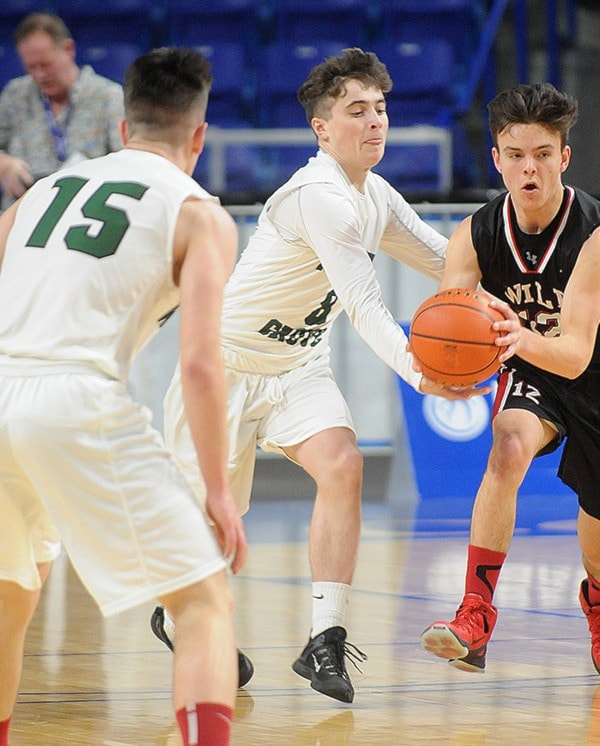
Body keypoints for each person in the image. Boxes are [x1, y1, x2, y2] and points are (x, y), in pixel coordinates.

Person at [153, 47, 482, 704]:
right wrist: (424, 377)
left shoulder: (374, 194)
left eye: (381, 109)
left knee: (343, 464)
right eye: (356, 111)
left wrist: (522, 293)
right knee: (213, 532)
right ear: (321, 128)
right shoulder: (318, 197)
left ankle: (323, 639)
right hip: (224, 366)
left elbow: (446, 262)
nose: (374, 122)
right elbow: (363, 306)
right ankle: (172, 614)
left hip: (297, 365)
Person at [0, 47, 246, 746]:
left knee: (9, 604)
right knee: (202, 600)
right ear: (198, 137)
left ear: (121, 128)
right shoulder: (201, 215)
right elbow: (199, 365)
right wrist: (218, 494)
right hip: (73, 397)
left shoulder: (40, 193)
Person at [420, 83, 600, 681]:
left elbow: (575, 354)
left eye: (543, 154)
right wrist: (452, 372)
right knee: (507, 446)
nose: (530, 168)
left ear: (564, 158)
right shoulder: (472, 237)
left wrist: (512, 337)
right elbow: (452, 328)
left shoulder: (597, 235)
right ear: (496, 158)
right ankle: (475, 613)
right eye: (516, 154)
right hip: (532, 369)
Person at [0, 12, 123, 210]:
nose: (39, 75)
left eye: (46, 65)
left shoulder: (108, 96)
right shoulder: (15, 95)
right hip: (21, 214)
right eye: (31, 67)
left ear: (68, 49)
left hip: (82, 215)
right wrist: (3, 164)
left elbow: (127, 162)